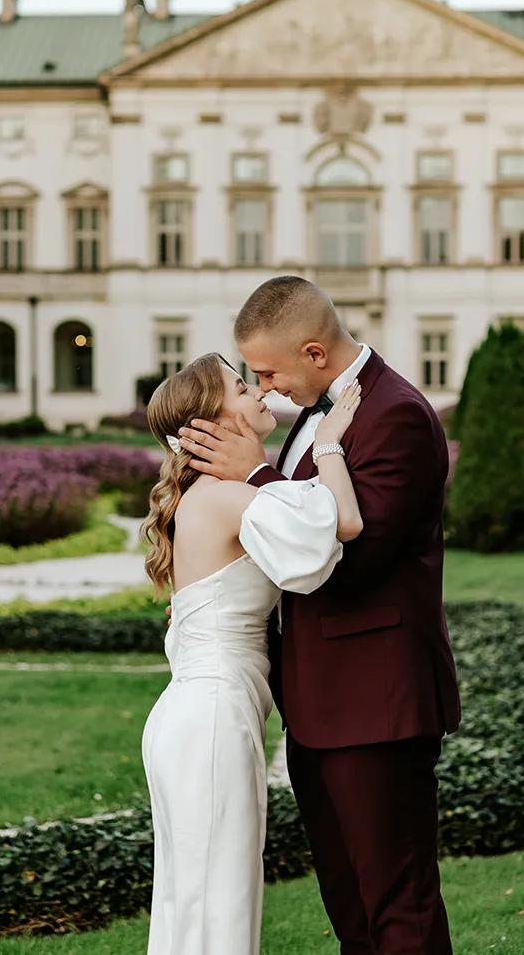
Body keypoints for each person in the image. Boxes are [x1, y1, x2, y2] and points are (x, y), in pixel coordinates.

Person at [178, 275, 459, 955]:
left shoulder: (395, 415)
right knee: (351, 907)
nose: (265, 388)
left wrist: (256, 477)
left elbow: (348, 562)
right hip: (318, 706)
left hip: (376, 703)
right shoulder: (316, 413)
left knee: (398, 908)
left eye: (269, 372)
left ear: (313, 353)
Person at [140, 352, 365, 955]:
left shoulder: (209, 496)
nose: (259, 393)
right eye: (242, 388)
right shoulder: (225, 497)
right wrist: (330, 443)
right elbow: (341, 523)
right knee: (218, 902)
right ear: (214, 422)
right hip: (211, 720)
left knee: (195, 902)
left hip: (195, 714)